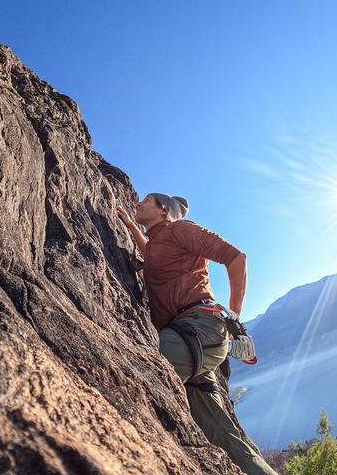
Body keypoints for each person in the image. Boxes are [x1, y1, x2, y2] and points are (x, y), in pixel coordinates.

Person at [117, 193, 278, 475]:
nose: (138, 204)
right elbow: (153, 256)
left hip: (200, 329)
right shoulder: (156, 243)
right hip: (190, 342)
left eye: (146, 200)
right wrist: (132, 228)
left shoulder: (182, 229)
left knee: (139, 377)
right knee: (221, 434)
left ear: (164, 210)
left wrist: (234, 315)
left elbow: (236, 258)